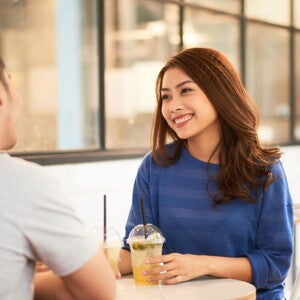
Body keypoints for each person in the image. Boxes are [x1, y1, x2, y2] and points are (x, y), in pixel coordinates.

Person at [118, 47, 294, 299]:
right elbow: (136, 251)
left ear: (219, 92)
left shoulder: (263, 169)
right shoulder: (154, 167)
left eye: (186, 90)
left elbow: (275, 264)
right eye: (165, 97)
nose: (173, 106)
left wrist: (203, 264)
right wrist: (90, 261)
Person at [0, 56, 116, 300]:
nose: (18, 98)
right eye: (11, 84)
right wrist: (24, 275)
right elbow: (98, 291)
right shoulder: (23, 183)